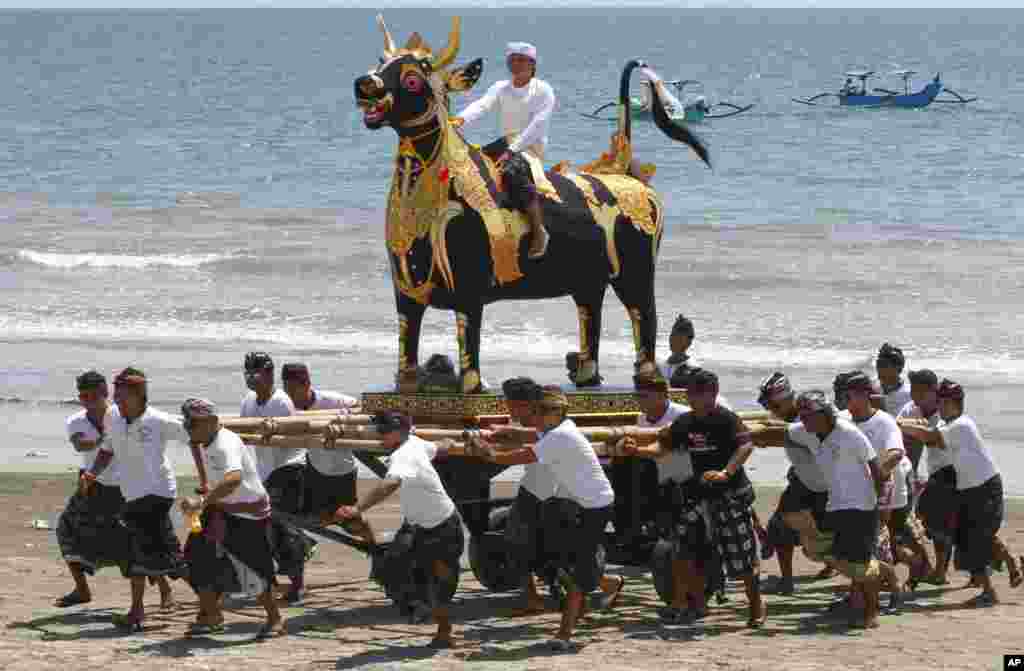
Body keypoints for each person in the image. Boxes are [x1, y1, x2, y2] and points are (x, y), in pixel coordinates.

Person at [467, 386, 624, 650]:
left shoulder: (561, 436)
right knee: (558, 556)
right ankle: (609, 583)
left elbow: (524, 455)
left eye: (540, 412)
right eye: (535, 410)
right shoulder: (553, 430)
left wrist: (489, 454)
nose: (535, 416)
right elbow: (530, 439)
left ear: (557, 412)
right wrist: (500, 436)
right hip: (570, 501)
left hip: (595, 506)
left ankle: (564, 634)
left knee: (575, 569)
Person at [620, 370, 764, 628]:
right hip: (698, 496)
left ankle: (756, 605)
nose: (695, 398)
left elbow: (746, 446)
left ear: (713, 393)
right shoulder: (685, 422)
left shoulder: (726, 418)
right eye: (691, 394)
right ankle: (694, 603)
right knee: (685, 549)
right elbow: (662, 446)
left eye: (700, 393)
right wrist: (637, 450)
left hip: (730, 495)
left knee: (741, 556)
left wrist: (725, 472)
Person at [337, 412, 463, 649]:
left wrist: (357, 508)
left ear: (400, 432)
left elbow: (391, 483)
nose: (380, 436)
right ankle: (419, 608)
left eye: (384, 432)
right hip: (417, 526)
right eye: (379, 431)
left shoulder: (403, 455)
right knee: (392, 565)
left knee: (441, 580)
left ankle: (443, 631)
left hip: (443, 526)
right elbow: (440, 446)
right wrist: (455, 441)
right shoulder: (415, 443)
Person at [82, 367, 184, 632]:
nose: (117, 398)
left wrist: (211, 472)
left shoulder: (158, 420)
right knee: (155, 552)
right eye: (116, 392)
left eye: (123, 393)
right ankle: (175, 595)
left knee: (141, 550)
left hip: (157, 492)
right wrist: (92, 473)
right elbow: (107, 449)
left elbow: (196, 436)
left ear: (139, 394)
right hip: (132, 493)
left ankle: (138, 612)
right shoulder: (113, 416)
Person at [901, 379, 1019, 606]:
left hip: (985, 488)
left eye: (944, 403)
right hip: (969, 490)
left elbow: (929, 436)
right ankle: (1000, 575)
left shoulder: (960, 425)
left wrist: (899, 423)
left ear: (956, 403)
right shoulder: (951, 424)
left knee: (973, 540)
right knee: (968, 538)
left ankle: (990, 590)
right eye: (939, 402)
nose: (940, 407)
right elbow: (929, 434)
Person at [179, 399, 285, 639]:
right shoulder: (202, 440)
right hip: (222, 508)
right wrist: (205, 491)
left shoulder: (226, 443)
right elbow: (208, 469)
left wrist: (202, 502)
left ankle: (274, 618)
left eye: (194, 423)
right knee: (195, 556)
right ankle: (211, 614)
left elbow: (233, 479)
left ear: (213, 421)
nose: (189, 427)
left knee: (254, 567)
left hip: (248, 512)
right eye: (187, 423)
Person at [452, 41, 555, 259]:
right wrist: (460, 119)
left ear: (532, 64)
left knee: (510, 171)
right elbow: (482, 105)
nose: (516, 64)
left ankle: (539, 231)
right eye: (512, 60)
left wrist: (513, 150)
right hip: (506, 142)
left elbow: (538, 125)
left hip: (530, 147)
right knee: (469, 164)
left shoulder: (543, 90)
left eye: (521, 60)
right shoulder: (500, 87)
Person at [795, 390, 888, 629]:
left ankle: (871, 612)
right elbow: (780, 432)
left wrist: (880, 505)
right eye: (801, 416)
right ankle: (878, 577)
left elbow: (877, 470)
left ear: (824, 414)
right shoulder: (816, 435)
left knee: (860, 566)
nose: (804, 421)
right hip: (836, 506)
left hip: (860, 508)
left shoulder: (848, 433)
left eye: (808, 416)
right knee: (827, 553)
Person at [240, 352, 314, 604]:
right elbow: (244, 432)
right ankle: (302, 548)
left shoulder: (281, 402)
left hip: (288, 468)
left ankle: (298, 585)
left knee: (283, 527)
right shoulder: (248, 401)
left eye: (256, 373)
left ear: (270, 374)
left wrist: (272, 431)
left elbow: (290, 436)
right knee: (264, 527)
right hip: (264, 471)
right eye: (248, 372)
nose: (251, 378)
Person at [55, 371, 134, 607]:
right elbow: (80, 444)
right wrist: (106, 441)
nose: (87, 399)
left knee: (135, 538)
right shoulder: (76, 421)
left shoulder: (124, 416)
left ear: (105, 393)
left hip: (127, 484)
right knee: (66, 529)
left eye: (93, 394)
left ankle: (163, 590)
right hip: (92, 483)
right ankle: (82, 590)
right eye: (83, 395)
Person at [756, 372, 835, 595]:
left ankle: (832, 566)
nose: (771, 410)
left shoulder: (807, 420)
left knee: (833, 532)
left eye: (773, 405)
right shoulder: (789, 418)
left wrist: (762, 436)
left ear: (788, 398)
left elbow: (784, 436)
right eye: (768, 406)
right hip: (803, 480)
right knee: (780, 527)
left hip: (828, 486)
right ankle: (787, 580)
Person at [837, 371, 906, 612]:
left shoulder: (883, 421)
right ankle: (859, 593)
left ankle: (892, 590)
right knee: (854, 544)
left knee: (873, 543)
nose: (848, 399)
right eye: (846, 394)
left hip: (877, 489)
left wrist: (874, 475)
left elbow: (896, 452)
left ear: (867, 395)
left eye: (854, 394)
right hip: (847, 491)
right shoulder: (841, 419)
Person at [500, 377, 560, 614]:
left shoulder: (543, 420)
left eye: (508, 403)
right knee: (524, 541)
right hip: (536, 486)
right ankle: (533, 596)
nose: (506, 407)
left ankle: (533, 597)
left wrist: (493, 454)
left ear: (522, 404)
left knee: (519, 540)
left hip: (546, 490)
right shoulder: (537, 418)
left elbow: (534, 443)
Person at [280, 363, 364, 532]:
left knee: (352, 523)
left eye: (293, 390)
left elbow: (359, 406)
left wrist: (340, 421)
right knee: (315, 519)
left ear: (306, 384)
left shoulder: (330, 400)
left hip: (342, 471)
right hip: (315, 469)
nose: (289, 395)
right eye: (286, 389)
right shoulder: (287, 405)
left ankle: (374, 548)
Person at [876, 343, 912, 417]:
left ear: (898, 368)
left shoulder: (910, 394)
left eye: (885, 366)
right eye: (878, 364)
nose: (880, 369)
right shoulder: (871, 390)